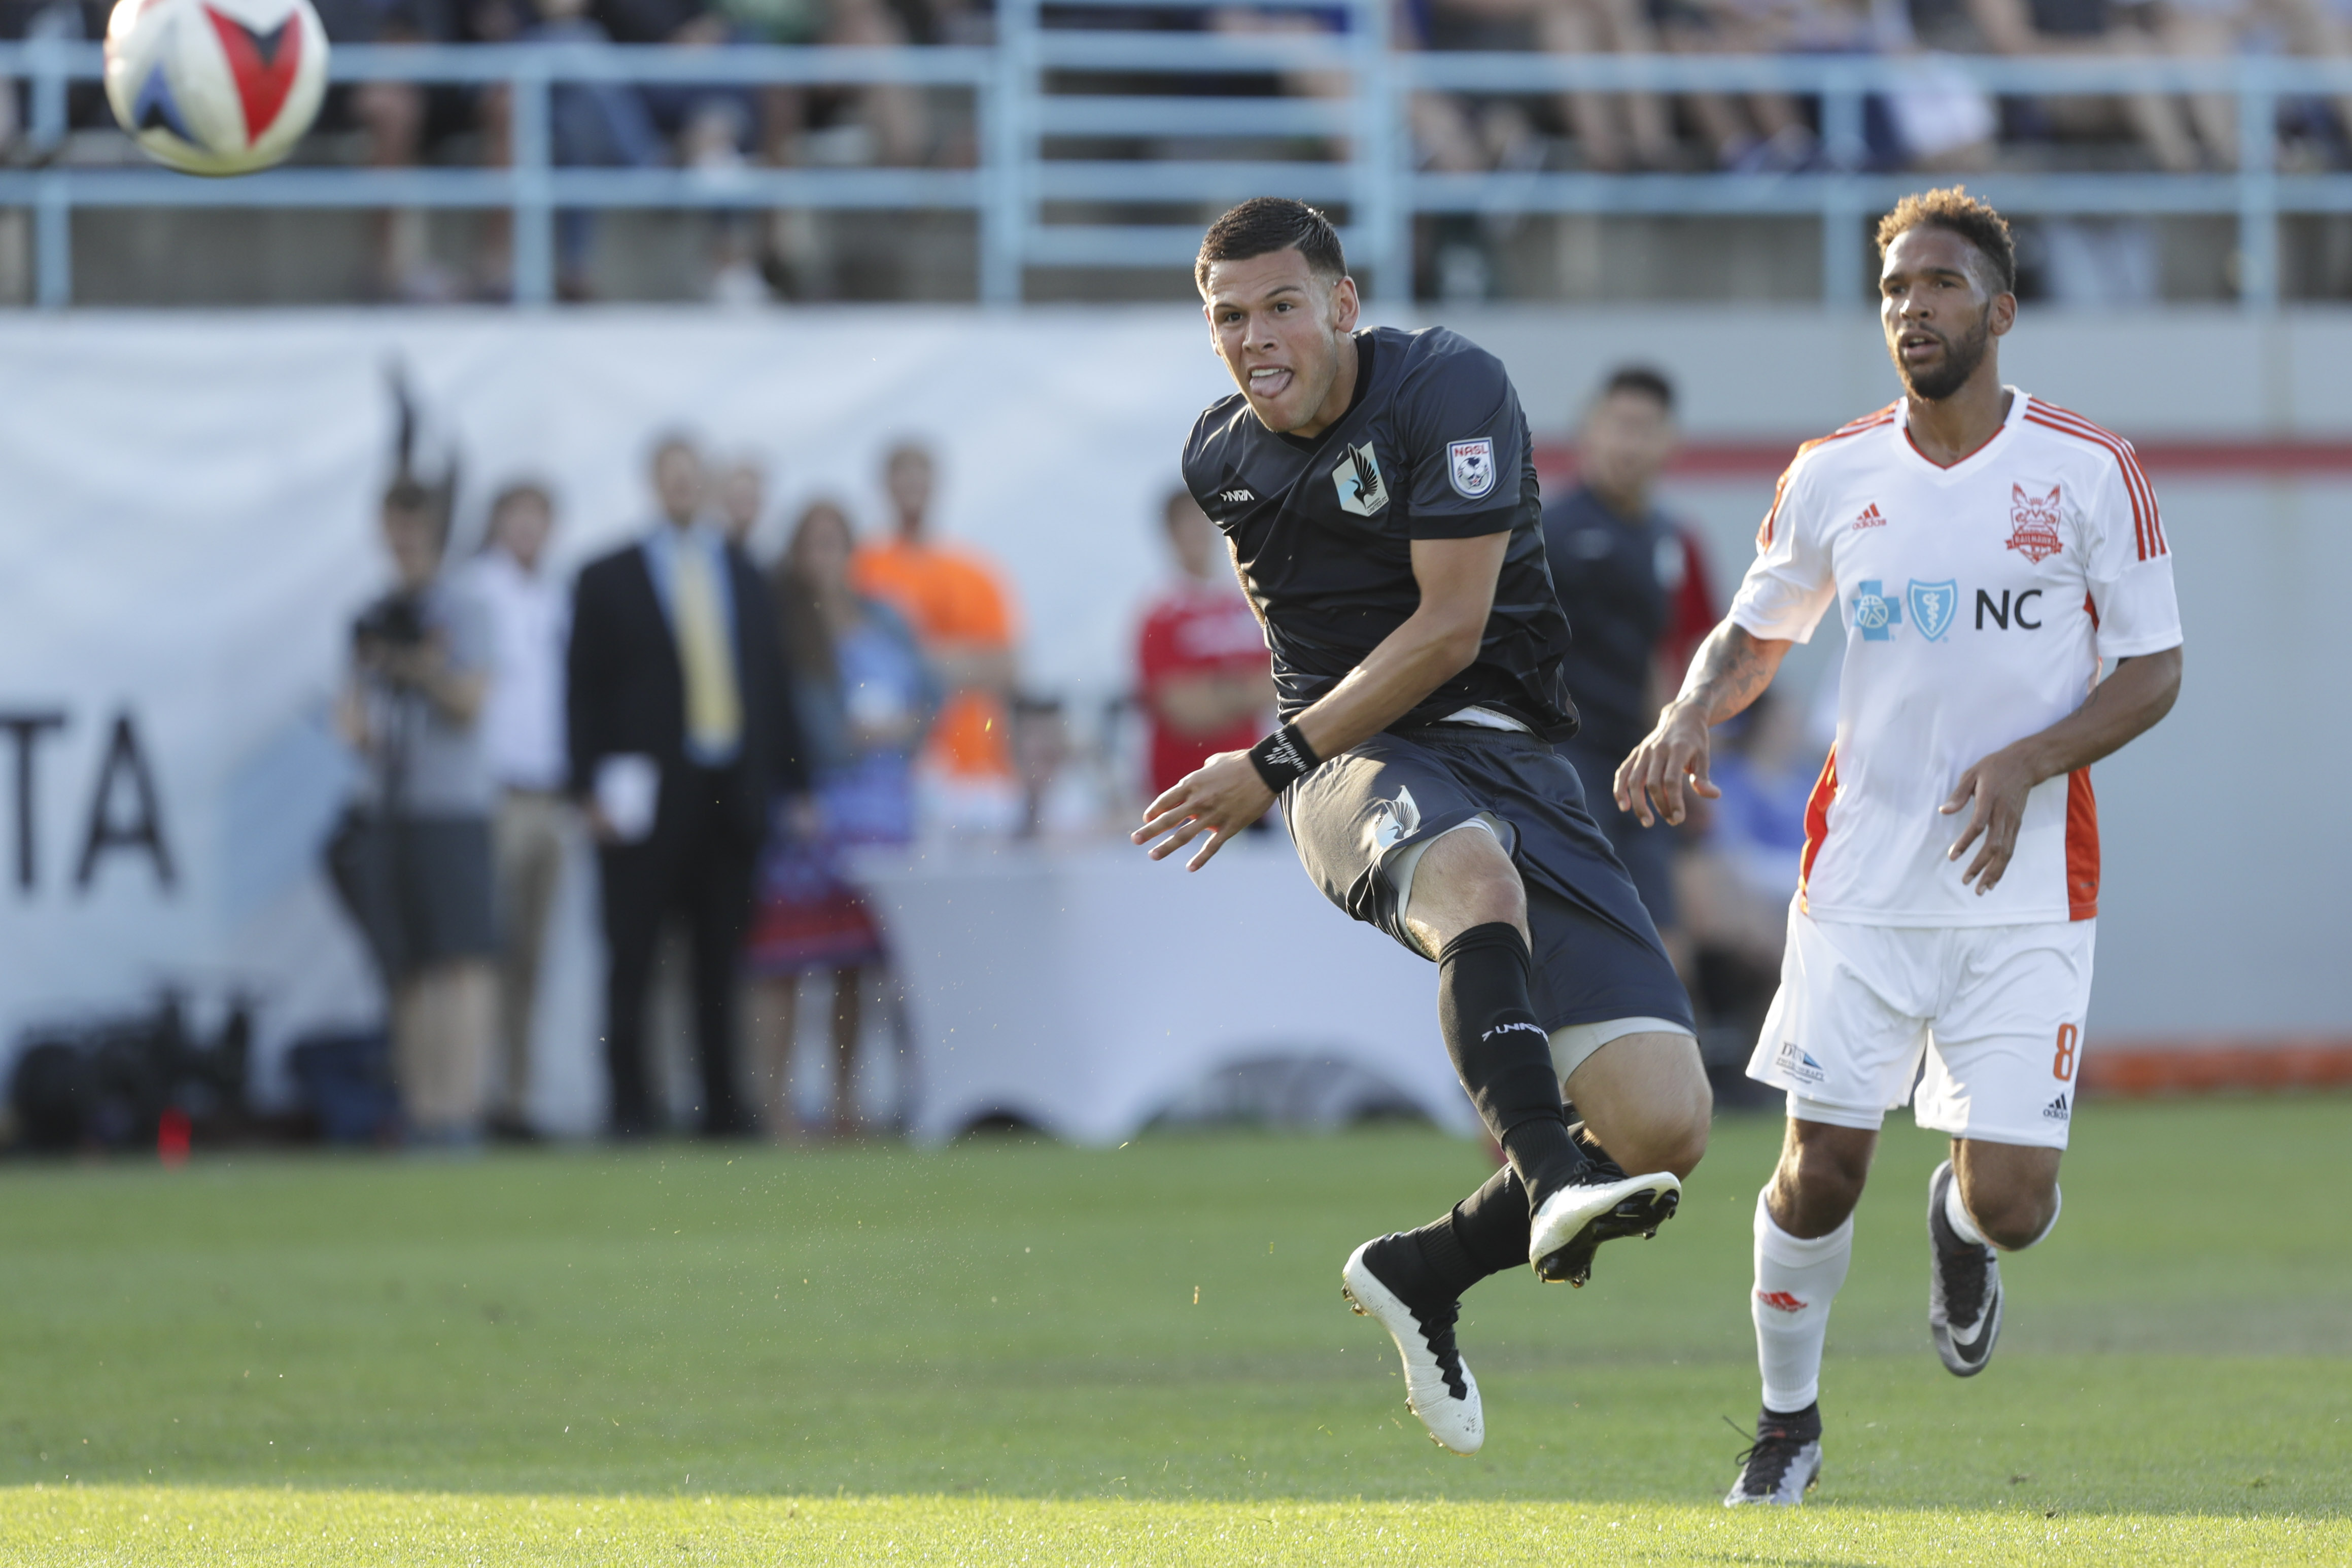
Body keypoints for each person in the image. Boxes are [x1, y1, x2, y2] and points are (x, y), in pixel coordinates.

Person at [1615, 187, 2183, 1505]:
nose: (1909, 309)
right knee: (1816, 1171)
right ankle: (1783, 1422)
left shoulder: (2089, 469)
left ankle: (1959, 1220)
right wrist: (1687, 715)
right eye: (1890, 291)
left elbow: (2154, 670)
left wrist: (2030, 757)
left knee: (2018, 1203)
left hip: (2025, 885)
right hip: (1861, 884)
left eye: (1935, 286)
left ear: (1998, 308)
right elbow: (1758, 629)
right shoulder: (1833, 472)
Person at [1136, 197, 1712, 1458]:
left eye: (1281, 305)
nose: (1254, 337)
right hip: (1352, 759)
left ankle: (1425, 1266)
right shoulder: (1219, 455)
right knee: (1466, 872)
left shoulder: (1448, 387)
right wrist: (1290, 760)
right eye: (1226, 317)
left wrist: (1264, 753)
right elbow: (1306, 646)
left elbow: (1452, 627)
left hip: (1514, 758)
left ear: (1343, 303)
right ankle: (1552, 1171)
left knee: (1667, 1122)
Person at [567, 435, 809, 1138]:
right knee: (632, 959)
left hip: (728, 795)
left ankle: (723, 1107)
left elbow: (771, 683)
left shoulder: (743, 570)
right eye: (671, 476)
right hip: (642, 799)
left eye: (692, 477)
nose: (682, 488)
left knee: (719, 962)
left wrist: (794, 783)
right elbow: (581, 691)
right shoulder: (606, 575)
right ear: (653, 482)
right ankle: (629, 1107)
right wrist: (585, 787)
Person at [747, 499, 937, 1137]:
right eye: (813, 544)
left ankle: (844, 1103)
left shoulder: (884, 618)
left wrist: (900, 732)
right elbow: (788, 721)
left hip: (883, 813)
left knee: (855, 965)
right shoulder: (782, 628)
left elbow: (929, 693)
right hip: (814, 812)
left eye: (835, 543)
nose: (825, 557)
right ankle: (776, 1106)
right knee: (787, 964)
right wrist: (849, 738)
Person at [331, 476, 498, 1146]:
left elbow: (469, 701)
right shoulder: (370, 612)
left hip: (450, 803)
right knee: (405, 962)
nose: (405, 542)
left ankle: (461, 1108)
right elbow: (354, 717)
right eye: (395, 527)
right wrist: (362, 721)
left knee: (460, 957)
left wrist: (416, 667)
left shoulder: (462, 609)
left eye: (416, 527)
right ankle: (424, 1108)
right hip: (390, 802)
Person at [1541, 366, 1715, 972]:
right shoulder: (1547, 533)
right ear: (1588, 431)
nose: (1629, 442)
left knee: (1669, 949)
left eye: (1644, 428)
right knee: (1585, 938)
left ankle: (1683, 1064)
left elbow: (1672, 660)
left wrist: (1685, 763)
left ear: (1670, 441)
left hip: (1641, 768)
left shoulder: (1674, 540)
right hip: (1564, 764)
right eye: (1618, 425)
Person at [459, 480, 571, 1141]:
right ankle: (468, 1094)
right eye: (517, 516)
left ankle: (516, 1097)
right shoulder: (477, 590)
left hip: (549, 794)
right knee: (484, 952)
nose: (528, 528)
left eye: (540, 516)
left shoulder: (554, 596)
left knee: (532, 954)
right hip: (497, 793)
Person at [850, 442, 1022, 837]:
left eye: (920, 475)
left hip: (974, 762)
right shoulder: (862, 568)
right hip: (891, 768)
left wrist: (913, 662)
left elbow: (1009, 666)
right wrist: (957, 662)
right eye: (902, 475)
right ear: (885, 486)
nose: (912, 486)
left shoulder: (975, 572)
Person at [1135, 486, 1274, 804]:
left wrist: (1218, 690)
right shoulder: (1159, 614)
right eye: (1189, 523)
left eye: (1204, 520)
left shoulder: (1245, 603)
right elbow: (1184, 710)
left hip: (1254, 789)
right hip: (1184, 795)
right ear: (1171, 533)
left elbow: (1281, 684)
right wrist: (1247, 690)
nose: (1199, 532)